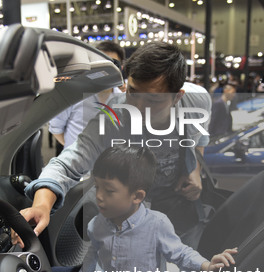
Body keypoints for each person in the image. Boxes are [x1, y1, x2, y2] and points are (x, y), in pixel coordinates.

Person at [20, 41, 212, 247]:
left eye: (153, 100)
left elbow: (199, 138)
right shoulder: (115, 115)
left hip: (182, 209)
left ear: (177, 96)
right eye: (133, 92)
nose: (137, 107)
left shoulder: (197, 101)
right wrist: (41, 205)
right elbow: (68, 163)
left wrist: (194, 170)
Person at [55, 146, 237, 272]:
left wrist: (206, 265)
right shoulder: (98, 223)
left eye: (109, 191)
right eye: (97, 187)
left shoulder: (156, 225)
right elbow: (93, 251)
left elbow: (181, 253)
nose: (99, 197)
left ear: (137, 196)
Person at [49, 41, 126, 154]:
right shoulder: (74, 95)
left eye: (113, 64)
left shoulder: (124, 100)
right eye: (101, 63)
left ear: (121, 67)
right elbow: (56, 129)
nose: (106, 71)